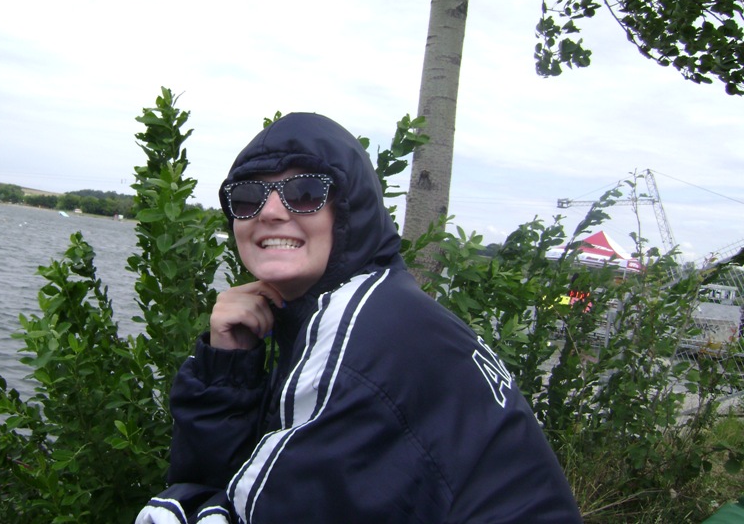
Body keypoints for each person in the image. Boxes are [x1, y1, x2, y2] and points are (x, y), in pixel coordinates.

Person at [136, 113, 582, 524]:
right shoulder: (377, 304)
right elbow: (244, 484)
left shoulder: (366, 329)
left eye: (305, 193)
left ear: (351, 210)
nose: (270, 211)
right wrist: (228, 368)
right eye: (248, 196)